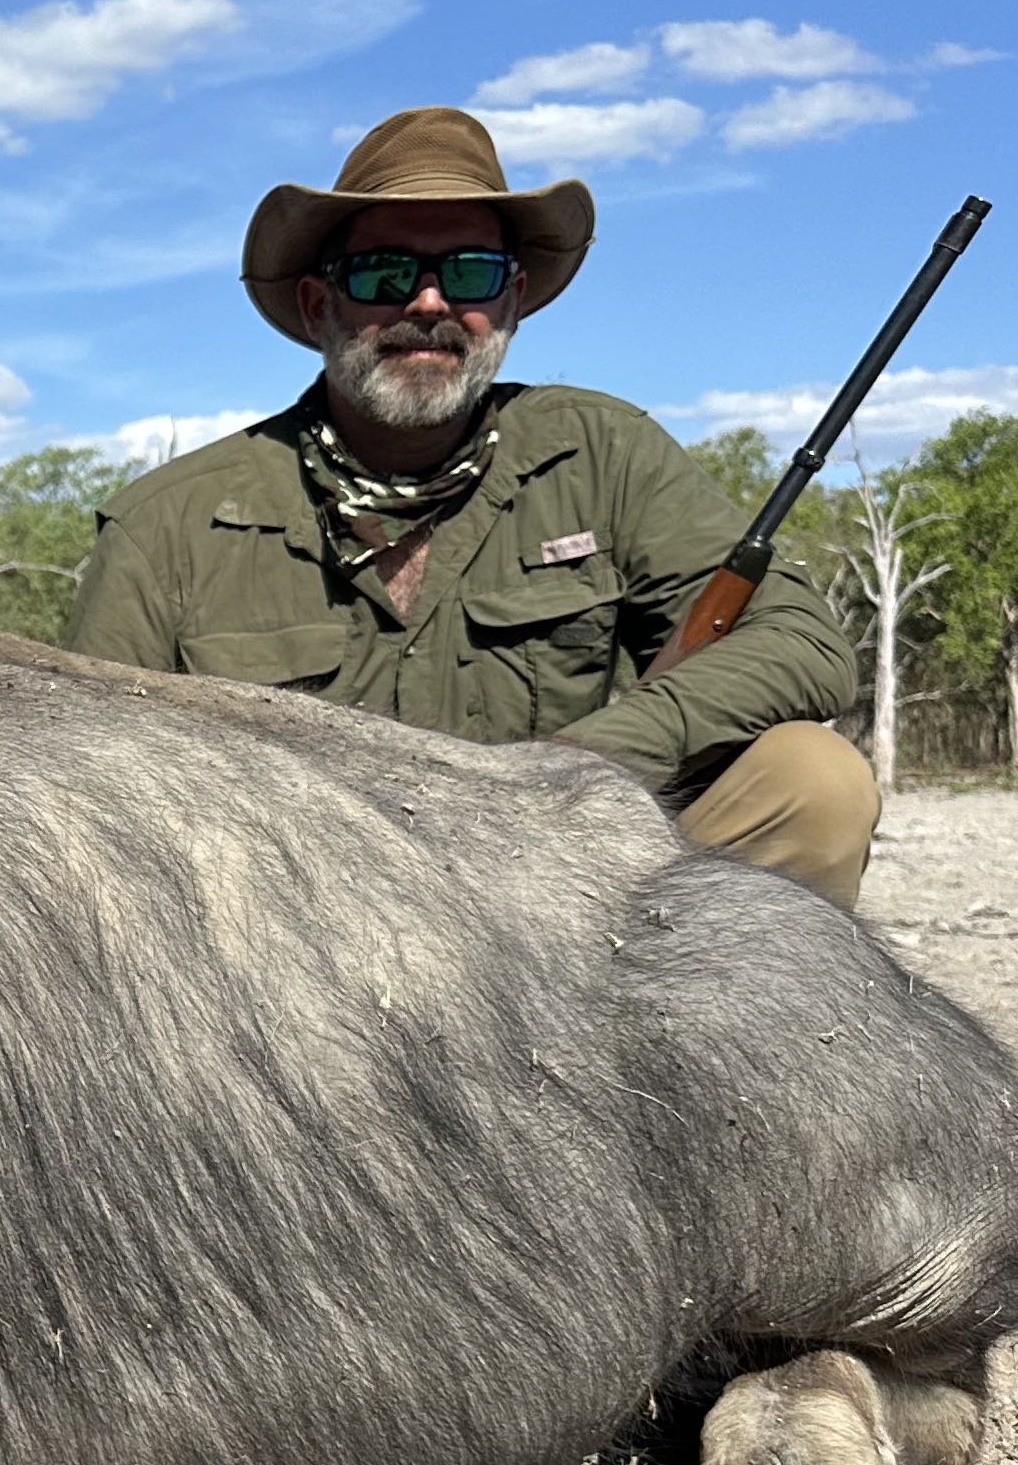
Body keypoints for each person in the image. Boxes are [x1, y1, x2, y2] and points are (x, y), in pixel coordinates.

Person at [63, 106, 877, 907]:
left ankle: (702, 1044)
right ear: (320, 306)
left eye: (469, 273)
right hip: (289, 923)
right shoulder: (167, 521)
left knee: (814, 780)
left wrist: (581, 768)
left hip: (564, 884)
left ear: (513, 299)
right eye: (384, 273)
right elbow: (83, 774)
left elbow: (801, 640)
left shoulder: (605, 452)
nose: (427, 303)